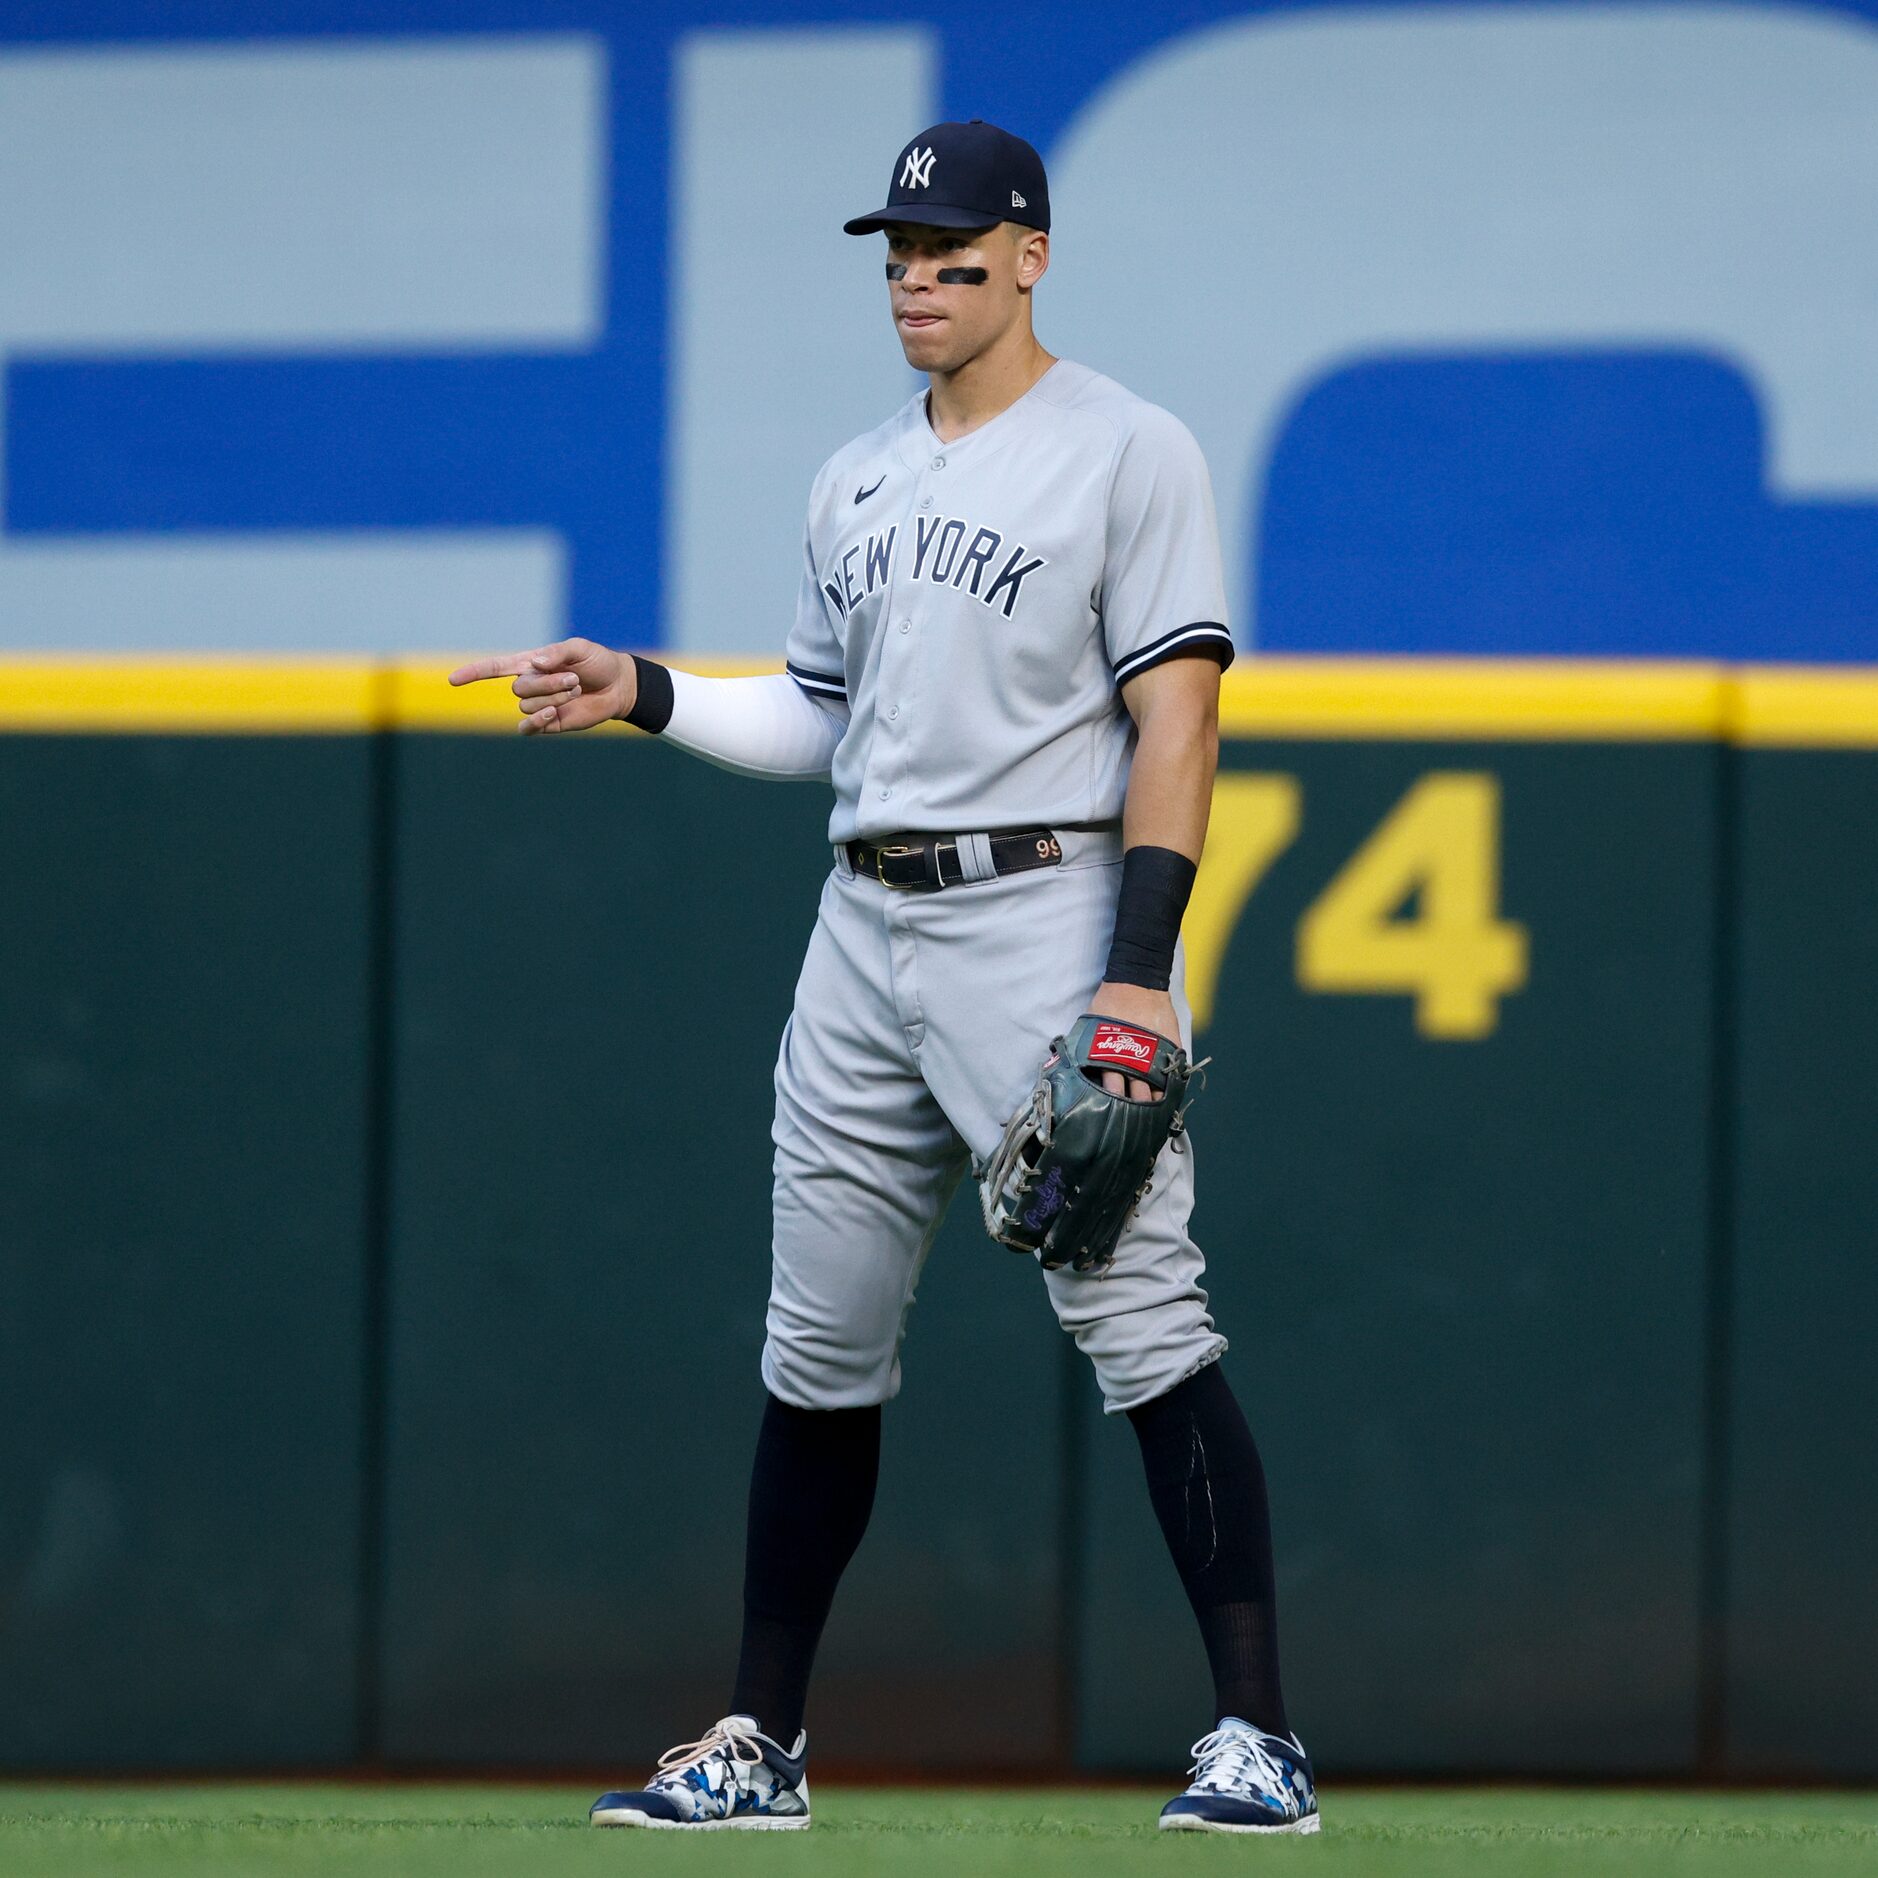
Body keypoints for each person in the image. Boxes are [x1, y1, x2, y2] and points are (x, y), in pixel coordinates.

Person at [448, 118, 1316, 1837]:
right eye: (900, 252)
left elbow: (1180, 717)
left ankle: (1257, 1738)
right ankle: (757, 1742)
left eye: (954, 249)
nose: (921, 276)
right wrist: (639, 688)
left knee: (1144, 1321)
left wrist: (1135, 974)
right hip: (862, 925)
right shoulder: (854, 474)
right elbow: (820, 720)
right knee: (816, 1346)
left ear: (1030, 255)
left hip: (1045, 912)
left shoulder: (1126, 449)